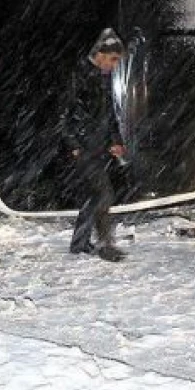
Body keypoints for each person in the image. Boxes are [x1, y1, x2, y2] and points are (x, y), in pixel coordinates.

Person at [63, 28, 128, 263]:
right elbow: (65, 111)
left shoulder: (102, 76)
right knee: (103, 193)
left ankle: (79, 244)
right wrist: (73, 144)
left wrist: (115, 140)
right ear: (100, 54)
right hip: (83, 145)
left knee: (93, 195)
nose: (114, 65)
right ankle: (104, 245)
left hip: (97, 144)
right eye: (113, 59)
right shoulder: (79, 74)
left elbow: (108, 113)